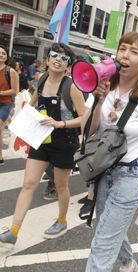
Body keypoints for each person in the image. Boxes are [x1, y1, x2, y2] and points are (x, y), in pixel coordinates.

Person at [82, 32, 138, 272]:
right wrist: (98, 101)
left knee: (102, 241)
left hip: (132, 174)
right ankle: (129, 263)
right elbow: (87, 132)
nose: (126, 55)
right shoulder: (102, 87)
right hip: (104, 171)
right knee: (109, 226)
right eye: (123, 49)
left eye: (134, 51)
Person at [0, 43, 86, 246]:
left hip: (64, 141)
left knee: (60, 185)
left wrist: (61, 123)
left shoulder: (71, 87)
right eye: (54, 55)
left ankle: (62, 219)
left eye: (63, 58)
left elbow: (84, 117)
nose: (58, 59)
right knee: (29, 183)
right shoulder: (43, 79)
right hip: (42, 139)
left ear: (67, 66)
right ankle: (13, 230)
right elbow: (35, 100)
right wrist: (21, 116)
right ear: (47, 60)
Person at [0, 45, 19, 166]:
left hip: (5, 104)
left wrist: (1, 92)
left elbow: (15, 90)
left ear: (6, 57)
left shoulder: (10, 71)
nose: (1, 55)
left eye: (3, 53)